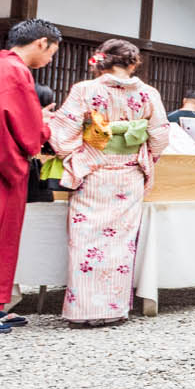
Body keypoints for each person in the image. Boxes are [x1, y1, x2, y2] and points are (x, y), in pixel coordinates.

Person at [47, 38, 170, 328]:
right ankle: (113, 310)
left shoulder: (84, 90)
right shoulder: (148, 93)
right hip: (129, 177)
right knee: (120, 244)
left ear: (102, 61)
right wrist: (144, 157)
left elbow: (62, 136)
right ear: (134, 62)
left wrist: (82, 151)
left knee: (85, 241)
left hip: (93, 172)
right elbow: (160, 136)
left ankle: (82, 311)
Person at [0, 19, 61, 334]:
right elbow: (27, 130)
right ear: (41, 42)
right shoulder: (14, 72)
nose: (50, 60)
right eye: (52, 53)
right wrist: (44, 126)